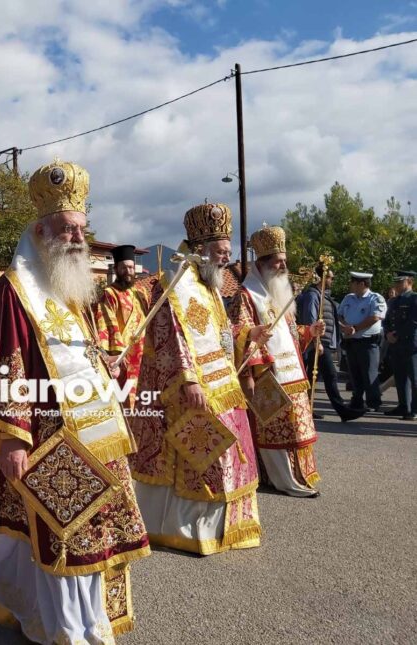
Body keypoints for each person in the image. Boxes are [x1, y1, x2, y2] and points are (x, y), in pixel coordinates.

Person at [0, 160, 150, 641]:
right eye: (68, 229)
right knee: (65, 529)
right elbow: (5, 363)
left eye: (81, 230)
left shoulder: (72, 286)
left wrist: (105, 365)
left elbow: (81, 348)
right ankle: (69, 627)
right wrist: (11, 438)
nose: (77, 239)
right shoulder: (16, 288)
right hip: (48, 431)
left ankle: (83, 613)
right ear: (41, 230)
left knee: (98, 524)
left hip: (96, 425)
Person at [131, 203, 265, 554]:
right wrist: (189, 380)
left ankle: (225, 526)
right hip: (187, 387)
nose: (226, 258)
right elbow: (172, 336)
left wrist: (248, 335)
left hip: (222, 383)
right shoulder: (175, 282)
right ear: (201, 248)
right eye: (221, 251)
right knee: (202, 454)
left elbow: (220, 332)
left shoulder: (209, 284)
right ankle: (185, 528)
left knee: (230, 451)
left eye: (227, 251)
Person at [229, 225, 326, 498]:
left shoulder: (280, 292)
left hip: (293, 374)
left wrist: (310, 332)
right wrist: (250, 370)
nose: (283, 266)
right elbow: (238, 333)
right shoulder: (246, 296)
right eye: (277, 261)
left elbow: (289, 333)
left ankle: (298, 475)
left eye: (285, 260)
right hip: (268, 375)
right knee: (275, 430)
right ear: (261, 264)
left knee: (297, 429)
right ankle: (284, 481)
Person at [296, 265, 364, 422]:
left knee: (312, 378)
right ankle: (343, 411)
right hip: (317, 343)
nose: (332, 280)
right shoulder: (312, 295)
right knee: (330, 375)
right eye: (330, 277)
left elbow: (327, 318)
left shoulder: (322, 296)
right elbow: (310, 320)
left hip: (322, 342)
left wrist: (343, 328)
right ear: (322, 278)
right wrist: (316, 341)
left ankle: (306, 409)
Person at [96, 244, 149, 411]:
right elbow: (108, 323)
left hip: (145, 353)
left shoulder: (141, 292)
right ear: (116, 269)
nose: (128, 271)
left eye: (131, 267)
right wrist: (116, 355)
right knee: (126, 401)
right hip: (123, 356)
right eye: (124, 267)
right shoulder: (109, 293)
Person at [339, 272, 387, 411]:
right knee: (354, 373)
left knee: (369, 373)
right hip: (351, 341)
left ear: (361, 284)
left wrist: (355, 328)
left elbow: (375, 317)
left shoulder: (375, 298)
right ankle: (357, 400)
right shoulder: (349, 298)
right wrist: (345, 327)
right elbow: (340, 315)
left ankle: (373, 402)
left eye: (353, 283)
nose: (350, 285)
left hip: (367, 342)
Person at [383, 270, 417, 420]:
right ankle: (404, 406)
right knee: (400, 377)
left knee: (414, 378)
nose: (396, 285)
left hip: (410, 344)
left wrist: (396, 334)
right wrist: (387, 334)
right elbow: (386, 321)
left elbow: (413, 322)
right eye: (395, 282)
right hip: (395, 344)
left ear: (409, 282)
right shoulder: (393, 301)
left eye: (400, 282)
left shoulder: (414, 299)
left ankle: (414, 409)